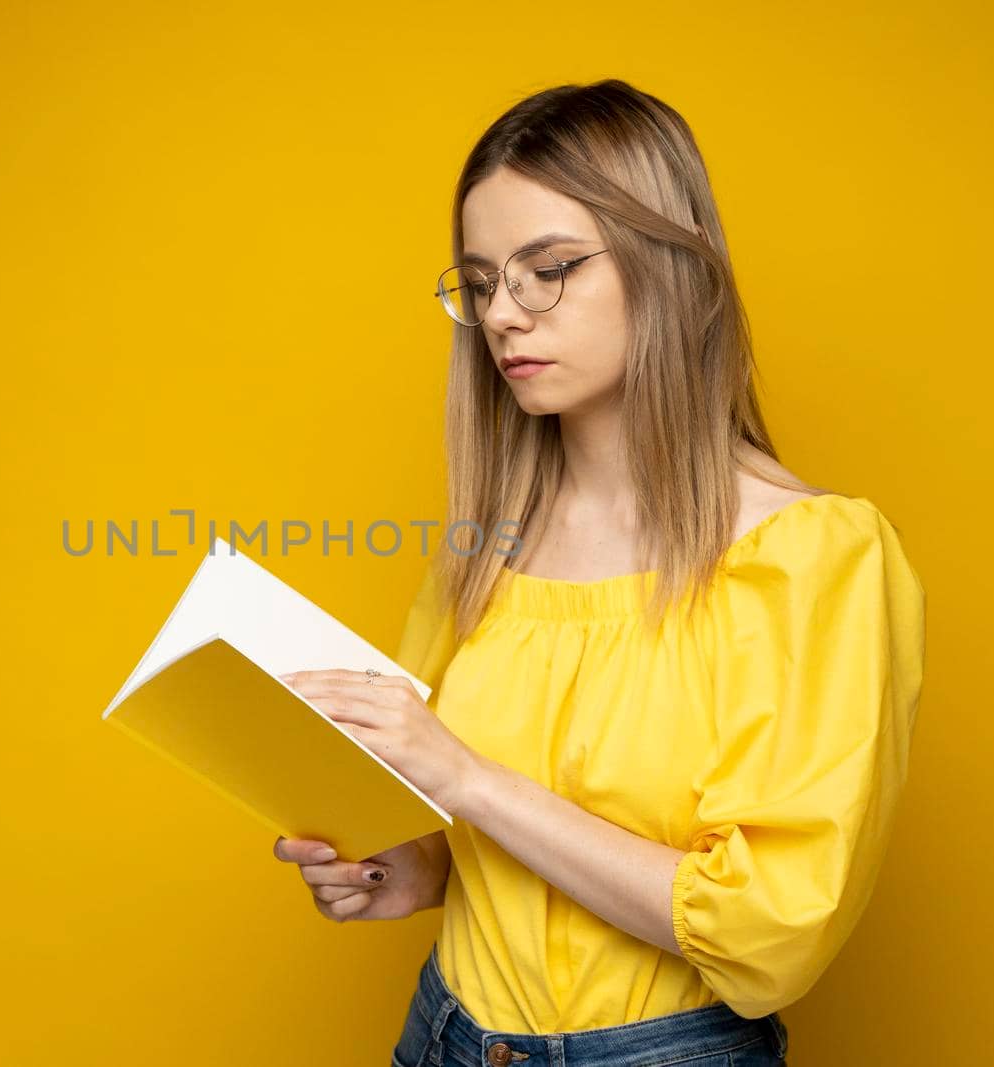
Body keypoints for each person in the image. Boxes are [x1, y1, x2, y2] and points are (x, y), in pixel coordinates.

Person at [273, 79, 925, 1067]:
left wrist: (464, 777)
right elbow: (452, 805)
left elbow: (769, 931)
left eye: (549, 269)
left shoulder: (809, 555)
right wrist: (408, 868)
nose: (504, 314)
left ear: (668, 264)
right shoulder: (488, 540)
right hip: (443, 1032)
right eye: (483, 280)